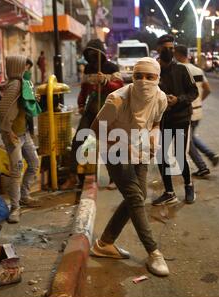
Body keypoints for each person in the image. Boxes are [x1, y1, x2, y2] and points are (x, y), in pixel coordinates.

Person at [90, 57, 170, 277]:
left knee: (140, 194)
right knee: (135, 197)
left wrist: (154, 136)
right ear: (132, 77)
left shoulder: (161, 98)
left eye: (150, 77)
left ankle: (104, 243)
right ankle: (153, 252)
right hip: (115, 149)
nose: (144, 81)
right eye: (138, 76)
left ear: (158, 78)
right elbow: (96, 129)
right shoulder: (116, 100)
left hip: (141, 149)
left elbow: (155, 122)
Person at [61, 39, 124, 190]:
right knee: (78, 141)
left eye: (94, 53)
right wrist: (81, 104)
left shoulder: (111, 67)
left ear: (101, 53)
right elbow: (84, 90)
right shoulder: (88, 68)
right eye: (89, 53)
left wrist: (105, 82)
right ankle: (73, 176)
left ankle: (114, 178)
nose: (92, 56)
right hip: (91, 111)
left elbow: (119, 86)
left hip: (107, 111)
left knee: (110, 145)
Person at [152, 34, 198, 206]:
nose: (170, 51)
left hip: (180, 118)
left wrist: (178, 100)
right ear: (158, 49)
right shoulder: (153, 72)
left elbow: (194, 93)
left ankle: (189, 185)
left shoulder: (182, 70)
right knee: (161, 156)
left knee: (179, 155)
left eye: (172, 48)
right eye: (166, 48)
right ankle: (169, 192)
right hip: (162, 120)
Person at [0, 56, 41, 223]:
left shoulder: (23, 84)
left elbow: (24, 106)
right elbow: (3, 109)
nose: (27, 71)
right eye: (25, 68)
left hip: (24, 133)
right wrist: (8, 133)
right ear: (16, 68)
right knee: (16, 172)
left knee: (34, 163)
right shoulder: (14, 85)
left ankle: (24, 195)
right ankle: (15, 208)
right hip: (14, 136)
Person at [174, 45, 219, 177]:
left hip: (186, 112)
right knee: (190, 138)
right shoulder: (198, 70)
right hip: (198, 111)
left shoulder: (179, 71)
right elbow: (207, 89)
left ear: (177, 54)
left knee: (186, 141)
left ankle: (202, 167)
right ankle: (211, 155)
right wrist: (199, 101)